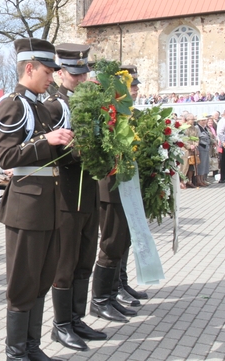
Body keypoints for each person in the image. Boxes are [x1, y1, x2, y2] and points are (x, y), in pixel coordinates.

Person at [0, 38, 73, 360]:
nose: (52, 78)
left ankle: (31, 345)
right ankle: (15, 352)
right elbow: (5, 156)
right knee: (23, 282)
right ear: (30, 68)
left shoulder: (39, 106)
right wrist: (47, 140)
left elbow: (50, 155)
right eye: (47, 72)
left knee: (41, 279)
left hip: (48, 206)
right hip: (26, 208)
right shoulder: (12, 105)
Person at [44, 43, 105, 351]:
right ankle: (61, 325)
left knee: (85, 258)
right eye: (74, 74)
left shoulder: (91, 104)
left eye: (83, 74)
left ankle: (76, 318)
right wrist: (78, 151)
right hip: (67, 195)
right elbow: (50, 152)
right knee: (66, 261)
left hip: (89, 191)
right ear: (60, 73)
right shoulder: (55, 106)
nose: (81, 80)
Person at [94, 68, 147, 327]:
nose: (134, 90)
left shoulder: (127, 112)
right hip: (110, 186)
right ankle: (102, 299)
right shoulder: (107, 113)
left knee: (122, 240)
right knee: (111, 242)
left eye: (134, 86)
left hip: (125, 185)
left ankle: (116, 289)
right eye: (129, 86)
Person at [195, 114, 212, 186]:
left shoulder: (205, 128)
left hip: (206, 148)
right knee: (200, 165)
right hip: (201, 147)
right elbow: (197, 138)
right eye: (202, 120)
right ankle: (199, 180)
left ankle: (203, 179)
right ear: (199, 121)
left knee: (205, 164)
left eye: (205, 120)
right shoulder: (197, 128)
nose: (204, 121)